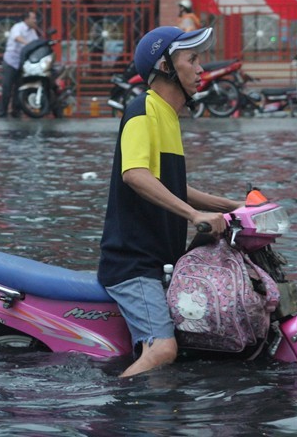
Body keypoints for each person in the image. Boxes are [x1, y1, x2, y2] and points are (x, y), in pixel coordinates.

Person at [97, 26, 243, 378]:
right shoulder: (142, 110)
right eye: (191, 59)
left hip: (161, 263)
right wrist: (194, 215)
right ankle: (112, 409)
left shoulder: (167, 116)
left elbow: (173, 186)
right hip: (134, 265)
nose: (200, 69)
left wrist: (234, 207)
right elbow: (135, 174)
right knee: (163, 349)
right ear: (165, 66)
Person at [0, 11, 38, 117]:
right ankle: (2, 111)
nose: (35, 20)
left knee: (19, 88)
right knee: (7, 87)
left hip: (22, 62)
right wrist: (28, 44)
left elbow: (36, 43)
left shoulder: (32, 31)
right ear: (26, 19)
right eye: (33, 18)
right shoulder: (17, 27)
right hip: (11, 61)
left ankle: (16, 111)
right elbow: (17, 37)